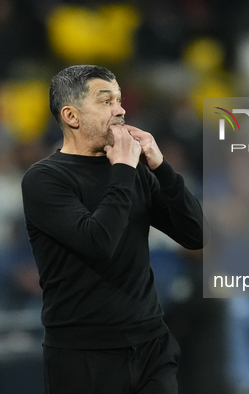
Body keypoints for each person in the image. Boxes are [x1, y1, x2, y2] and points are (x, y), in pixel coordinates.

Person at [21, 65, 205, 394]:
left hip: (151, 344)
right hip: (83, 354)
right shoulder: (45, 179)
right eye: (106, 101)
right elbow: (98, 241)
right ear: (71, 116)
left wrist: (162, 169)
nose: (120, 110)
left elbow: (197, 235)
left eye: (119, 100)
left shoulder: (133, 172)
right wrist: (122, 167)